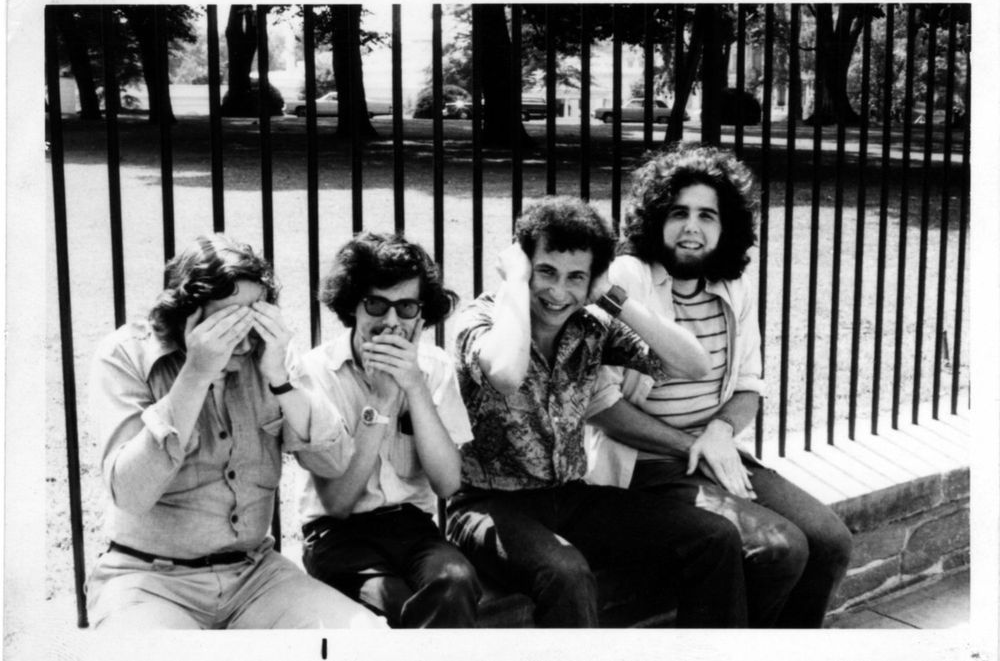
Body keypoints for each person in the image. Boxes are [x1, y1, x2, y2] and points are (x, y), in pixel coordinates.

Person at [447, 195, 749, 628]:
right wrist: (514, 283)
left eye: (576, 278)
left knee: (715, 536)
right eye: (545, 272)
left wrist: (612, 296)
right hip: (487, 504)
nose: (558, 292)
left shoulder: (589, 325)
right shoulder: (482, 319)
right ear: (523, 264)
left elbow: (693, 364)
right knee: (566, 573)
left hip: (570, 495)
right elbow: (507, 373)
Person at [586, 145, 853, 628]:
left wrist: (720, 433)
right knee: (779, 548)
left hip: (713, 453)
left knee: (830, 541)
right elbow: (601, 407)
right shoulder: (627, 281)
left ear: (725, 226)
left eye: (707, 215)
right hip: (643, 467)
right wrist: (694, 445)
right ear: (654, 219)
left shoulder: (733, 285)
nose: (692, 227)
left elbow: (748, 385)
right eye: (678, 213)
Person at [86, 234, 385, 629]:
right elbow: (131, 493)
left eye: (254, 316)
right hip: (147, 579)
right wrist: (196, 372)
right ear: (186, 315)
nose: (244, 337)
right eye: (228, 321)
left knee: (366, 641)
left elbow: (333, 462)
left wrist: (279, 379)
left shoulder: (269, 354)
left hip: (254, 575)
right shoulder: (125, 355)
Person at [296, 232, 481, 628]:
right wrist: (380, 402)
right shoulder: (317, 372)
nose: (391, 321)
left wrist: (413, 386)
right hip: (337, 535)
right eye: (377, 304)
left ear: (422, 313)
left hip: (411, 526)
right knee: (395, 606)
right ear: (353, 307)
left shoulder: (435, 368)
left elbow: (448, 484)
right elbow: (338, 503)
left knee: (456, 582)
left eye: (407, 306)